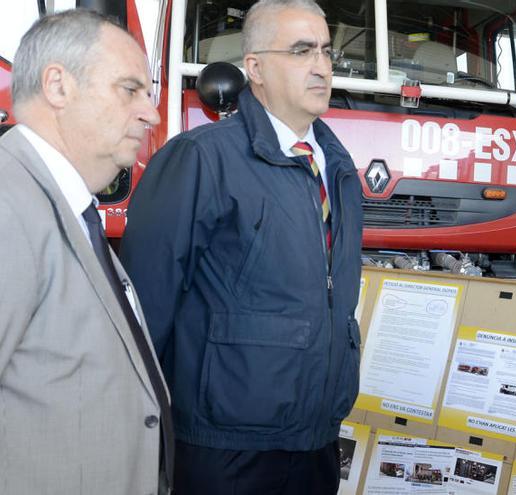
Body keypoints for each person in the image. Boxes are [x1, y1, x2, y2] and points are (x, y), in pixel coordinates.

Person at [120, 0, 364, 493]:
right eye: (300, 51)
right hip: (222, 450)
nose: (320, 66)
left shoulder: (339, 169)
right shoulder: (201, 159)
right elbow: (144, 308)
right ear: (254, 68)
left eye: (325, 51)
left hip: (315, 444)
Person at [0, 10, 172, 494]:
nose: (151, 113)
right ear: (58, 86)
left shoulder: (65, 208)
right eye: (129, 89)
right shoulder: (8, 207)